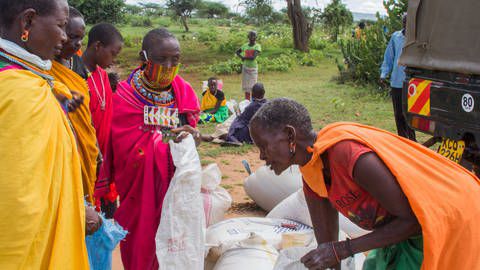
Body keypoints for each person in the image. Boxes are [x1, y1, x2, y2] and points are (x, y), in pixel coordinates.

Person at [249, 98, 480, 270]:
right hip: (402, 231)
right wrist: (331, 258)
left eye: (264, 146)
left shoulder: (347, 155)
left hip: (449, 221)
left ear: (290, 136)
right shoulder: (312, 173)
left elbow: (412, 220)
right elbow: (328, 245)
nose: (261, 156)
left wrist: (344, 250)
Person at [0, 0, 92, 268]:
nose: (64, 37)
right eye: (62, 26)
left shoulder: (30, 81)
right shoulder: (18, 93)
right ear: (27, 23)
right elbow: (18, 207)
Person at [112, 28, 201, 270]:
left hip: (174, 187)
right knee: (142, 243)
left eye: (175, 59)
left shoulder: (182, 91)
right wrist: (158, 145)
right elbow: (122, 148)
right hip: (139, 190)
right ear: (143, 57)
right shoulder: (125, 96)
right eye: (161, 59)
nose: (169, 65)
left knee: (175, 239)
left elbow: (190, 131)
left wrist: (193, 138)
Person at [48, 6, 99, 204]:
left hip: (86, 142)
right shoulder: (45, 68)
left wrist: (94, 142)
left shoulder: (77, 64)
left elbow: (85, 111)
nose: (77, 44)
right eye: (72, 37)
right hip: (64, 147)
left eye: (81, 38)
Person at [81, 22, 123, 215]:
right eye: (113, 54)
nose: (114, 60)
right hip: (89, 157)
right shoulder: (76, 75)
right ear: (97, 46)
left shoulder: (103, 76)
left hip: (105, 158)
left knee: (109, 213)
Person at [380, 15, 416, 141]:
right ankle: (402, 139)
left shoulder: (415, 38)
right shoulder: (396, 37)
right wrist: (384, 74)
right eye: (404, 21)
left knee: (410, 114)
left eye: (408, 21)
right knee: (398, 113)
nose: (405, 24)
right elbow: (389, 56)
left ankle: (412, 140)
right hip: (397, 82)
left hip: (412, 83)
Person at [236, 31, 261, 100]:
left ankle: (253, 102)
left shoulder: (257, 46)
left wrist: (244, 58)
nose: (252, 38)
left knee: (254, 87)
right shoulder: (245, 45)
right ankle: (247, 102)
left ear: (256, 37)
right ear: (248, 37)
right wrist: (241, 57)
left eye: (254, 36)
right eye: (251, 36)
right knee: (246, 87)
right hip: (245, 68)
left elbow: (253, 57)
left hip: (253, 69)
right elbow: (237, 52)